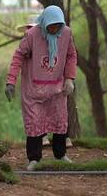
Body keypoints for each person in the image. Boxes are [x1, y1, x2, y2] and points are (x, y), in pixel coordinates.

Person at [5, 5, 77, 171]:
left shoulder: (66, 33)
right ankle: (34, 158)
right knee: (34, 123)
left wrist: (69, 78)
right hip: (34, 89)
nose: (54, 29)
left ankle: (60, 155)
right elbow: (18, 57)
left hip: (57, 89)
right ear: (44, 23)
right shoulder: (32, 35)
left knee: (60, 121)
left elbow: (71, 55)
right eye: (51, 26)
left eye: (58, 26)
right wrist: (11, 81)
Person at [18, 20, 74, 148]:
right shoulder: (28, 42)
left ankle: (63, 139)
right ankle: (42, 139)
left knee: (59, 113)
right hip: (34, 88)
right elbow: (20, 59)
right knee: (35, 116)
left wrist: (68, 78)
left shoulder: (56, 40)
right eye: (28, 28)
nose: (29, 31)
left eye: (31, 28)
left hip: (54, 86)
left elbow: (67, 57)